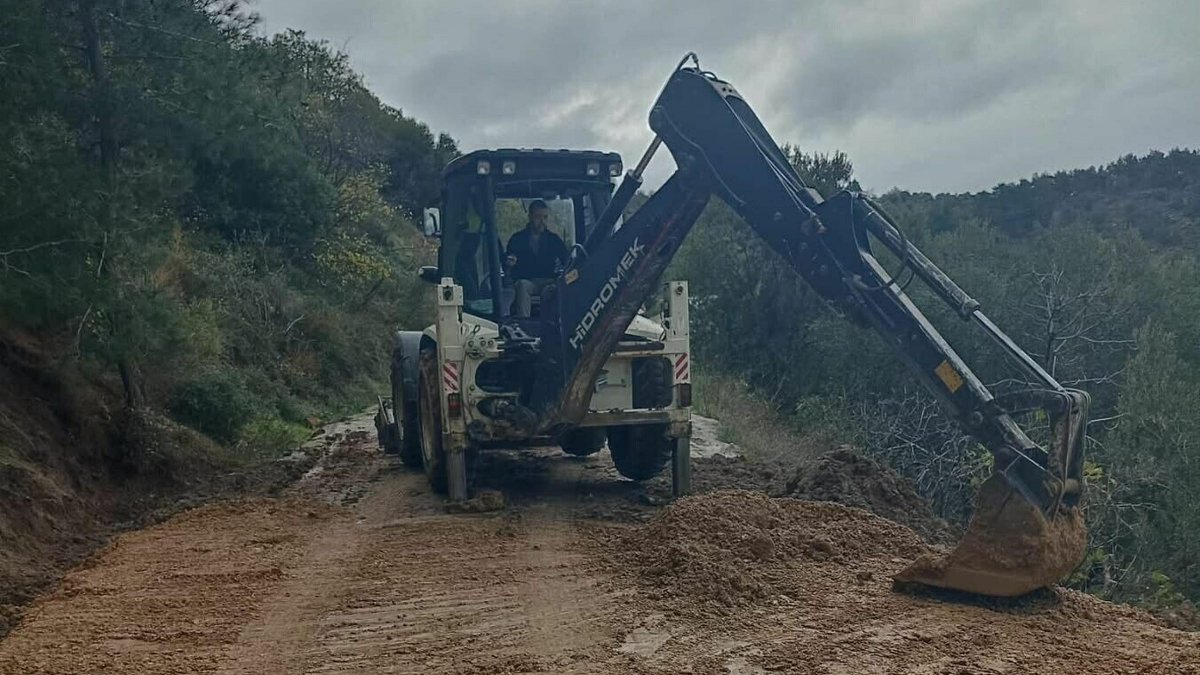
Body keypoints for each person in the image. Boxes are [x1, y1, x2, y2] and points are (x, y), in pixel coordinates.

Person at [505, 199, 568, 318]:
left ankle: (554, 325)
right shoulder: (517, 239)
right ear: (530, 216)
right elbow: (508, 259)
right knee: (522, 285)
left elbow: (567, 260)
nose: (542, 221)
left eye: (545, 217)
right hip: (528, 281)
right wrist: (510, 262)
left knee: (553, 289)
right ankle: (524, 323)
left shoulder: (554, 240)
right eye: (538, 217)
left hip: (548, 281)